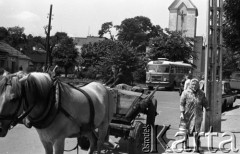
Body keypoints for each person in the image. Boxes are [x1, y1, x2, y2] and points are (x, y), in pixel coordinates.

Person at [179, 78, 210, 152]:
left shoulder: (202, 93)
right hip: (187, 115)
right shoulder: (185, 93)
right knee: (186, 131)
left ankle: (197, 147)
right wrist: (182, 113)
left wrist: (208, 110)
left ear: (198, 85)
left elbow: (205, 102)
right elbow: (181, 104)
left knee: (197, 131)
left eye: (196, 84)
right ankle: (185, 146)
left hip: (198, 115)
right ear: (190, 85)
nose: (194, 86)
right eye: (193, 84)